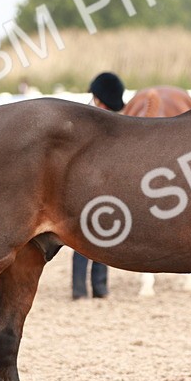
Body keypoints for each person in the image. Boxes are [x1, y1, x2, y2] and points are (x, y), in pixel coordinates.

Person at [72, 72, 126, 300]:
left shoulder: (106, 121)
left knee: (102, 237)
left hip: (103, 185)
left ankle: (97, 287)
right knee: (83, 239)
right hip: (86, 185)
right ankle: (81, 288)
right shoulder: (84, 120)